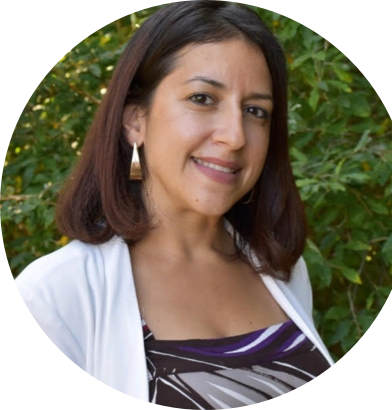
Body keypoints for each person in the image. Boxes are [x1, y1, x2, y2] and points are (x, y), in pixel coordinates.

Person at [14, 1, 341, 408]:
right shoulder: (54, 297)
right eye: (203, 98)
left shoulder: (282, 271)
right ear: (135, 120)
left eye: (256, 110)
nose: (235, 136)